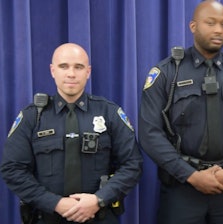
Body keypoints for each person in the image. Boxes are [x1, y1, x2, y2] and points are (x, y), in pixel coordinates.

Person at [138, 1, 223, 223]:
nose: (219, 30)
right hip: (181, 187)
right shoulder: (167, 73)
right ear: (193, 26)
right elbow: (149, 133)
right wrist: (190, 175)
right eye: (210, 23)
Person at [0, 43, 143, 224]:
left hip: (98, 217)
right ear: (52, 70)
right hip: (47, 217)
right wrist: (55, 203)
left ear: (88, 72)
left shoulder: (109, 113)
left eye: (79, 67)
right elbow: (12, 169)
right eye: (63, 66)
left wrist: (98, 199)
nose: (71, 74)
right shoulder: (32, 117)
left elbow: (132, 164)